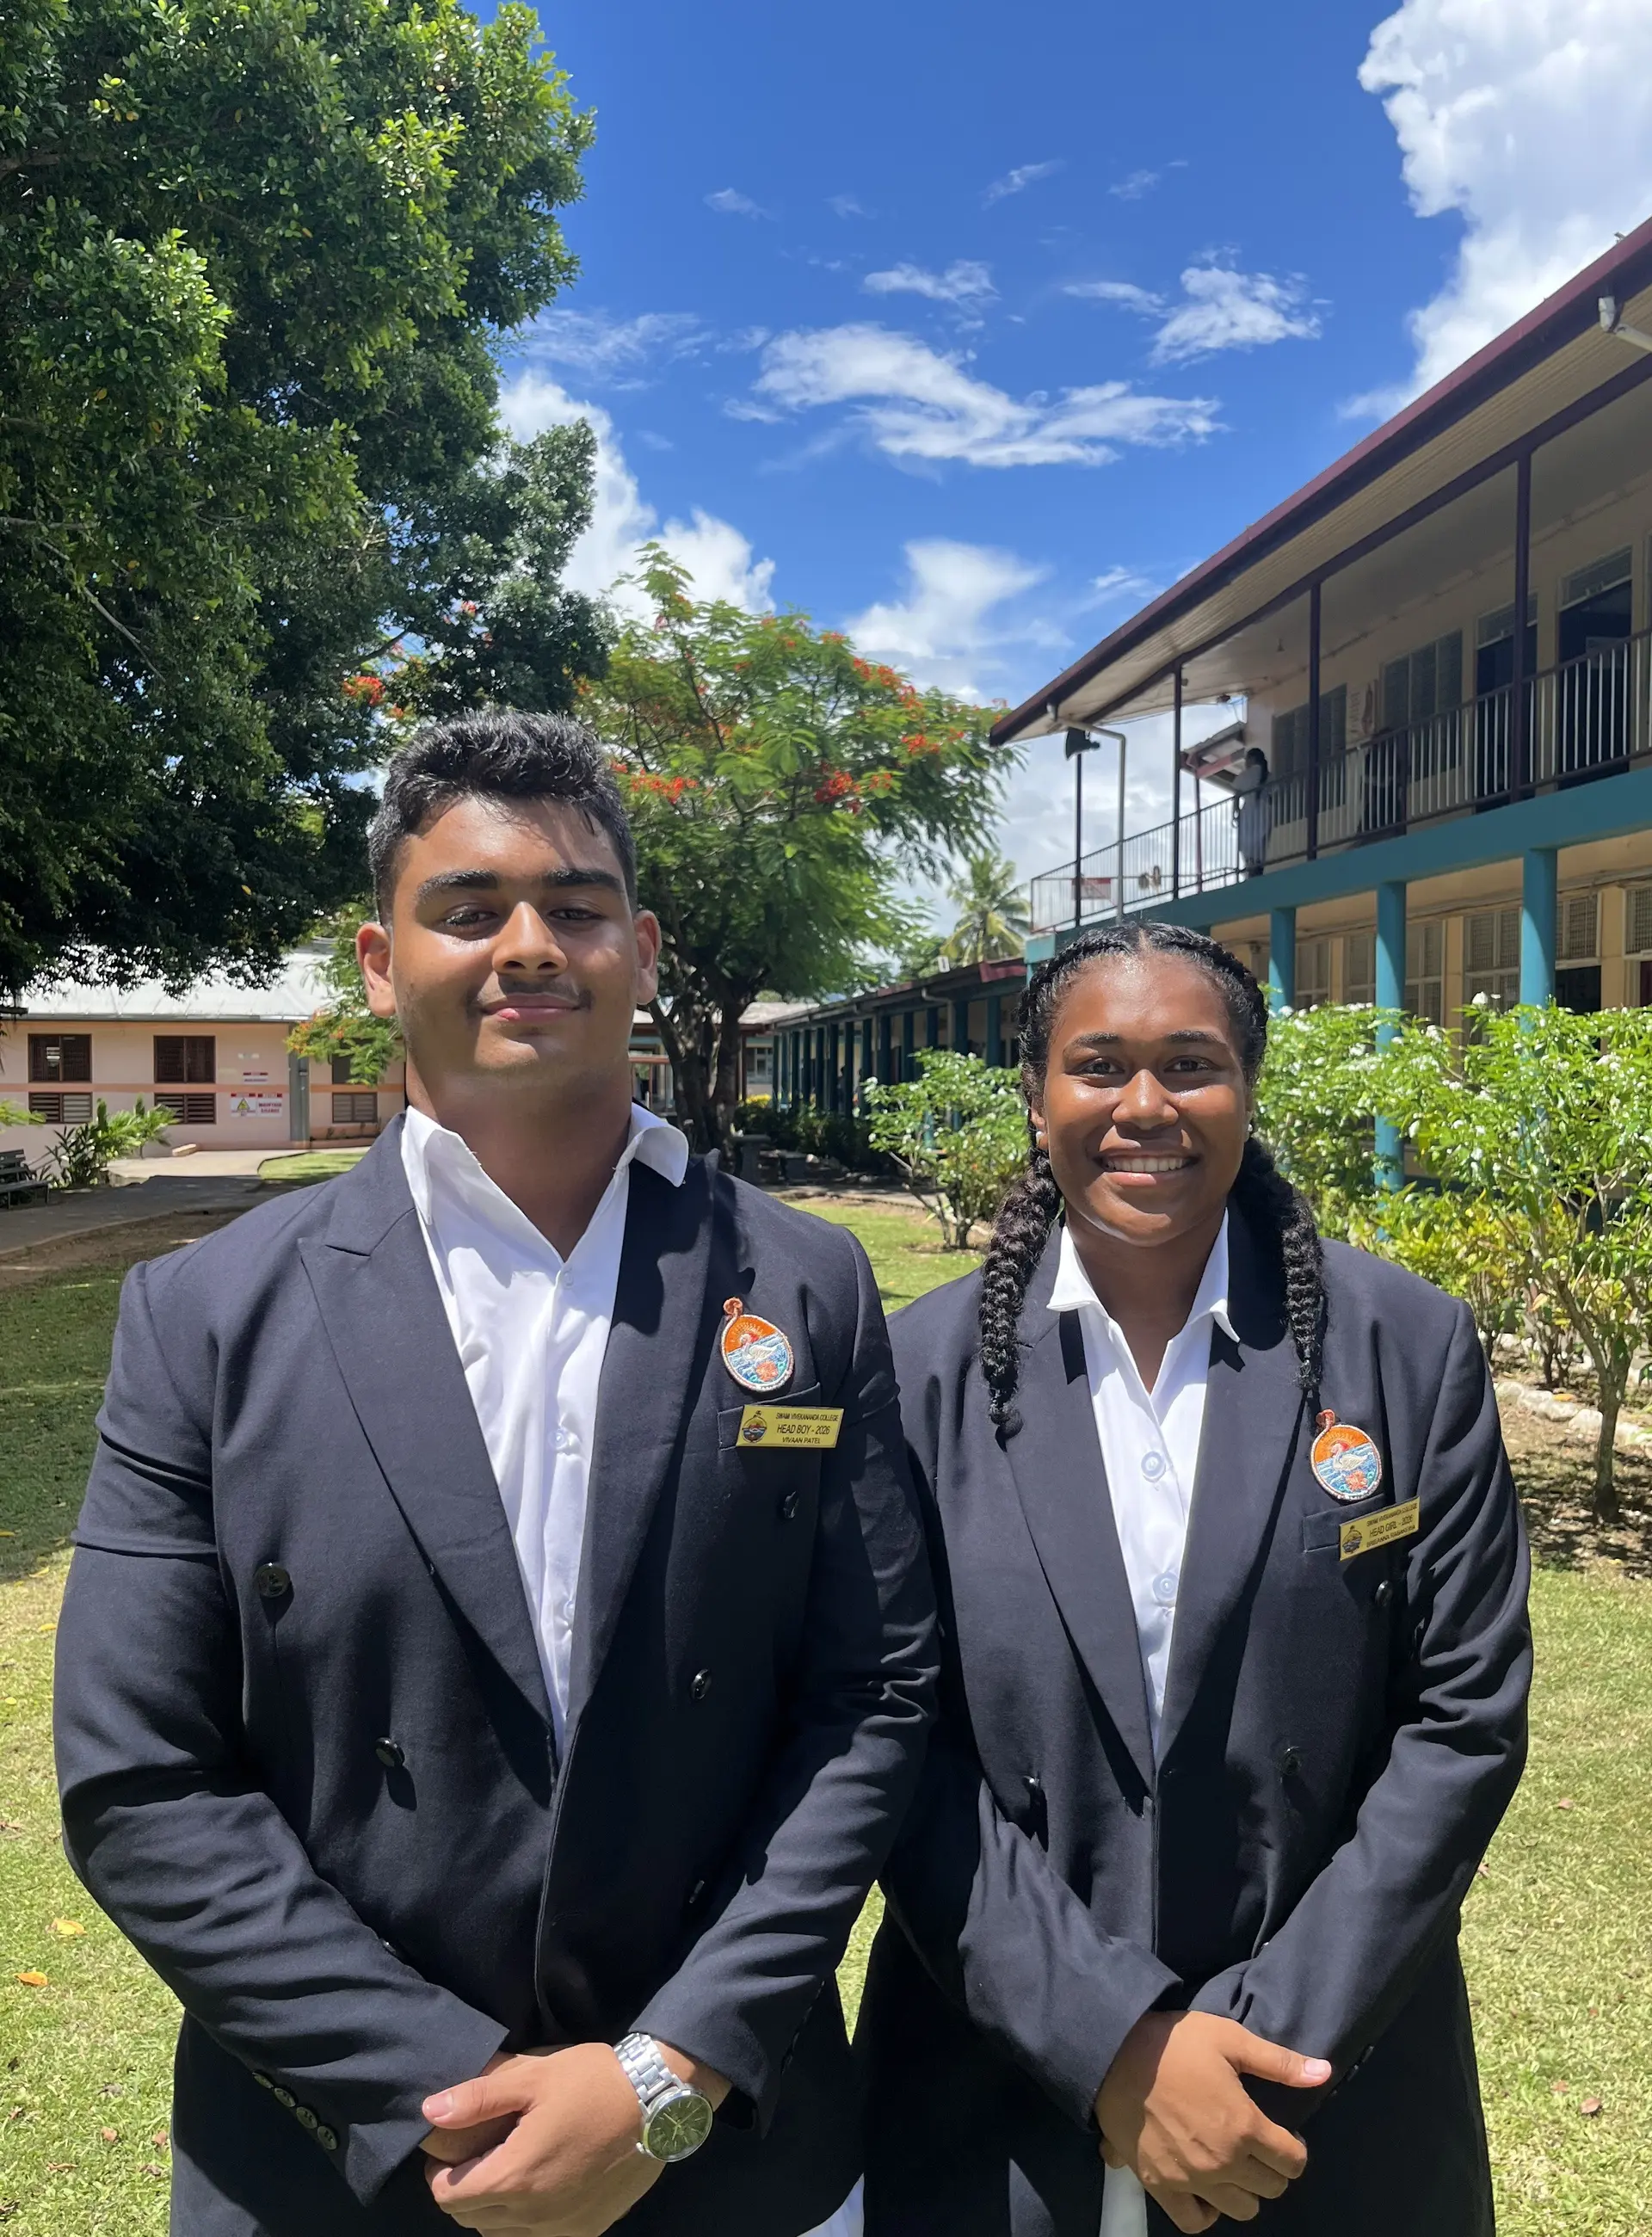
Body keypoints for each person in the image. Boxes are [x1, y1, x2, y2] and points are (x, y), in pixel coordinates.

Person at [54, 712, 936, 2237]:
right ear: (381, 962)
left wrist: (666, 2069)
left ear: (641, 949)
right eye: (469, 910)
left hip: (728, 2148)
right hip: (343, 2160)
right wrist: (441, 2088)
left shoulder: (806, 1285)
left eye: (575, 907)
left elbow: (872, 1700)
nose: (528, 944)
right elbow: (142, 1776)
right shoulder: (205, 1317)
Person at [857, 920, 1531, 2237]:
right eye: (1098, 1064)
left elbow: (1465, 1720)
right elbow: (889, 1730)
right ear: (1036, 1092)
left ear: (1249, 1089)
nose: (1145, 1106)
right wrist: (1111, 2044)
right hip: (993, 2087)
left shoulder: (1409, 1347)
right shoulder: (916, 1373)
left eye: (1192, 1064)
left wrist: (1254, 2050)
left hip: (1325, 2093)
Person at [1234, 746, 1270, 877]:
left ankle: (1251, 866)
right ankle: (1259, 865)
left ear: (1252, 759)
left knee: (1248, 842)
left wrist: (1236, 811)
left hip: (1249, 812)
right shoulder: (1268, 775)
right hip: (1264, 811)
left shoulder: (1245, 775)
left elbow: (1236, 793)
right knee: (1261, 841)